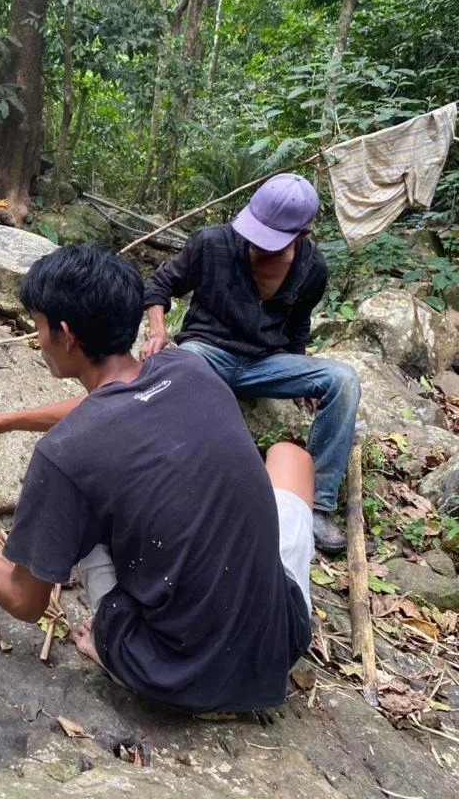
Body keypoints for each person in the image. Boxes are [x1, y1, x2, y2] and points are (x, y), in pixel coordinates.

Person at [0, 244, 313, 713]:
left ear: (66, 334)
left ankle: (116, 650)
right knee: (290, 457)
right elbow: (110, 403)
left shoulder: (62, 458)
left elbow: (26, 603)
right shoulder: (188, 367)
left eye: (38, 325)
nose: (37, 337)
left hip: (179, 673)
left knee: (85, 521)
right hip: (280, 639)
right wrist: (3, 420)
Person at [142, 172, 360, 554]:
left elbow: (297, 327)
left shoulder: (313, 269)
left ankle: (318, 504)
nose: (258, 246)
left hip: (266, 363)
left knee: (343, 380)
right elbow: (158, 286)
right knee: (176, 365)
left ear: (301, 234)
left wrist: (300, 374)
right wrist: (158, 331)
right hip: (206, 352)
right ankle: (179, 480)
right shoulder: (211, 243)